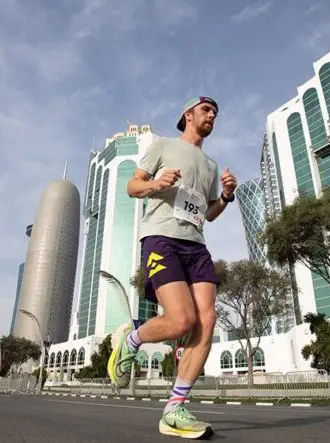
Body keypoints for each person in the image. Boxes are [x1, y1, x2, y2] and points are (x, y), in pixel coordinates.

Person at [107, 96, 237, 439]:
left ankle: (174, 409)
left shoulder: (210, 165)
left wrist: (226, 196)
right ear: (188, 114)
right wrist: (156, 183)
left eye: (215, 112)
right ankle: (131, 340)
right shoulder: (163, 145)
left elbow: (209, 213)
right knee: (182, 320)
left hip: (196, 245)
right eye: (206, 110)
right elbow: (132, 186)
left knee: (207, 320)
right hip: (161, 238)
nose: (212, 115)